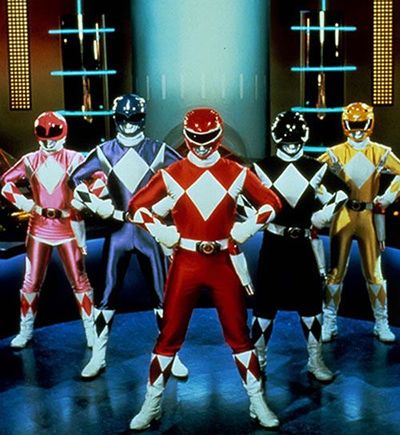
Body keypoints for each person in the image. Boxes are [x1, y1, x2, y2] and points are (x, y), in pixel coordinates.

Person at [128, 107, 282, 430]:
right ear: (187, 136)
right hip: (186, 262)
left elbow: (272, 203)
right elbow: (135, 206)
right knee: (169, 335)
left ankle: (257, 400)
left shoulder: (235, 172)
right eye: (196, 138)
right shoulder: (172, 173)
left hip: (223, 262)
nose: (201, 145)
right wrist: (160, 230)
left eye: (207, 137)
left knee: (239, 335)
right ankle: (151, 403)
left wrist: (247, 228)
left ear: (218, 135)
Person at [69, 94, 187, 379]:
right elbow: (74, 178)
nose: (129, 124)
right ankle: (98, 355)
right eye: (123, 118)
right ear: (116, 119)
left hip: (147, 230)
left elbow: (186, 174)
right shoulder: (105, 151)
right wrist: (98, 205)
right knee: (107, 295)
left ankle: (171, 355)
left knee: (162, 295)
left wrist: (165, 205)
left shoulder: (157, 149)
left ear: (142, 119)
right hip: (119, 230)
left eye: (134, 118)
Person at [251, 111, 348, 383]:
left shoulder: (315, 168)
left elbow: (342, 192)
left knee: (311, 303)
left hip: (303, 243)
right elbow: (242, 196)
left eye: (295, 141)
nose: (292, 146)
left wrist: (324, 214)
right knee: (264, 304)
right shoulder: (262, 168)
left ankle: (315, 360)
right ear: (277, 139)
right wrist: (256, 219)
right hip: (273, 242)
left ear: (303, 139)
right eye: (287, 141)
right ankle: (258, 360)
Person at [0, 111, 94, 349]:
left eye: (54, 136)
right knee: (31, 281)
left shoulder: (74, 159)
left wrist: (84, 201)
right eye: (44, 136)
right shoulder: (30, 160)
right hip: (39, 228)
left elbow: (99, 178)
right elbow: (6, 182)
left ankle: (91, 331)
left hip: (68, 227)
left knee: (79, 280)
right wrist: (26, 204)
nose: (49, 141)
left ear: (63, 135)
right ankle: (25, 330)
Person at [319, 102, 400, 342]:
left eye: (361, 124)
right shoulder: (336, 152)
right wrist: (327, 198)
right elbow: (312, 174)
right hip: (343, 214)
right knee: (335, 272)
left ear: (370, 123)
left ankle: (381, 321)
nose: (357, 130)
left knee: (374, 273)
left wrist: (388, 197)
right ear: (345, 124)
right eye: (353, 125)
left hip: (368, 215)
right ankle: (329, 321)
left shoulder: (380, 152)